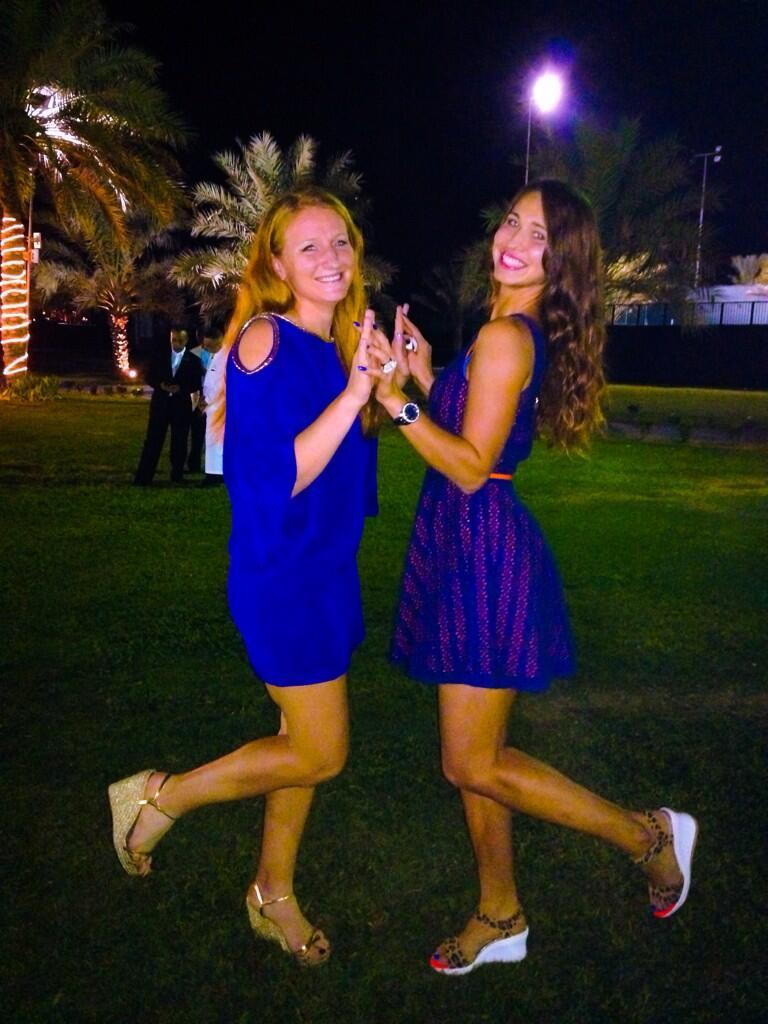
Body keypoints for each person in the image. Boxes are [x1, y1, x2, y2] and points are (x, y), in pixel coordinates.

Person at [368, 180, 698, 976]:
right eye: (512, 222)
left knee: (471, 763)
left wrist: (396, 402)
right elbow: (476, 432)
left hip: (482, 552)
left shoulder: (506, 338)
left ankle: (647, 834)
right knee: (474, 756)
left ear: (562, 262)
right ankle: (500, 912)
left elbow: (470, 466)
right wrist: (426, 379)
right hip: (465, 543)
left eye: (539, 236)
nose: (514, 241)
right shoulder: (503, 333)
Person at [110, 187, 379, 967]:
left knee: (299, 740)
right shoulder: (266, 340)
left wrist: (382, 389)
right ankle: (159, 796)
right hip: (283, 577)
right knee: (323, 752)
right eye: (308, 246)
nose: (330, 258)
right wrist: (357, 395)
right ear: (277, 265)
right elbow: (268, 479)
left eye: (340, 242)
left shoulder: (338, 346)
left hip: (325, 573)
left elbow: (346, 471)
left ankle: (272, 890)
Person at [134, 327, 202, 485]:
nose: (176, 344)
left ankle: (177, 475)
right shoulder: (160, 356)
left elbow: (196, 383)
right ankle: (144, 476)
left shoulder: (193, 359)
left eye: (180, 341)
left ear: (186, 341)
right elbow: (149, 375)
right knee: (153, 440)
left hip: (181, 406)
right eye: (174, 340)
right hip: (161, 404)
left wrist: (181, 389)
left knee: (180, 441)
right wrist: (161, 385)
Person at [199, 334, 225, 485]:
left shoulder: (225, 357)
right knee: (212, 442)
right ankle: (213, 472)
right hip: (212, 406)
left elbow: (220, 384)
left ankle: (216, 474)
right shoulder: (215, 356)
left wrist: (209, 399)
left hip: (219, 406)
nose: (206, 349)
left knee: (217, 443)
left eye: (209, 345)